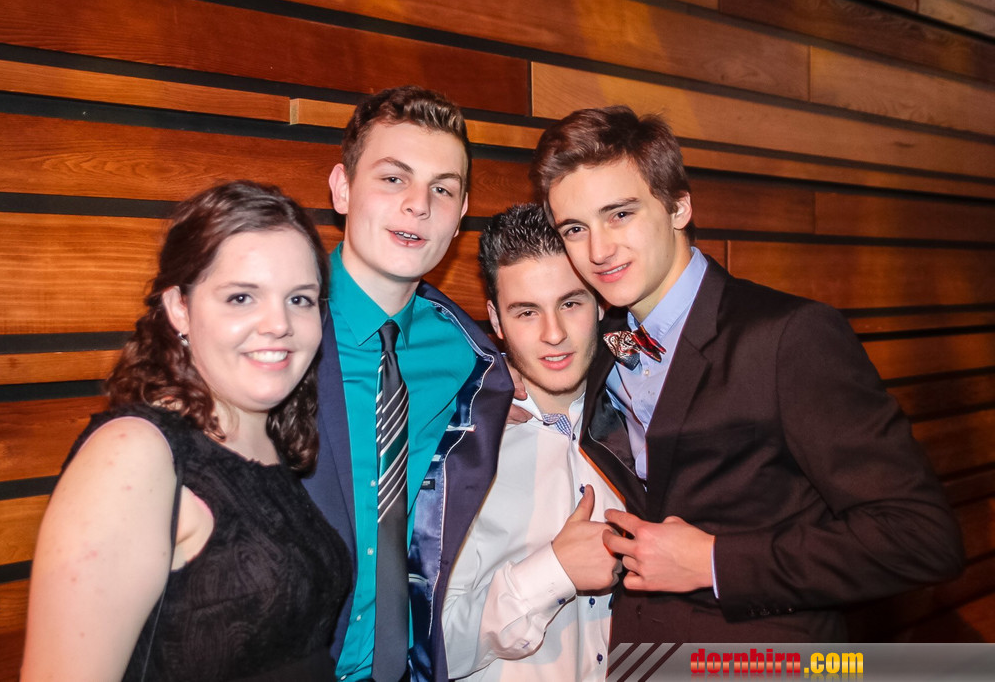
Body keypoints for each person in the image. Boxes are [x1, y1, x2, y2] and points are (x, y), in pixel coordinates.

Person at [529, 106, 965, 642]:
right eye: (575, 228)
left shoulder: (789, 337)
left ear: (678, 207)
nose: (598, 250)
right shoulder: (601, 342)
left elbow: (921, 538)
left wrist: (715, 561)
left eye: (620, 214)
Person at [21, 181, 351, 680]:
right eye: (242, 297)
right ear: (179, 306)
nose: (278, 324)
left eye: (300, 299)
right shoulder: (133, 453)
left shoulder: (268, 442)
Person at [302, 86, 514, 681]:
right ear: (342, 189)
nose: (418, 205)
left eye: (441, 189)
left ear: (462, 210)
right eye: (394, 178)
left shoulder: (470, 359)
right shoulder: (275, 334)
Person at [442, 203, 624, 680]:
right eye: (527, 312)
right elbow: (434, 647)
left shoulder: (642, 421)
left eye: (571, 303)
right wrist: (554, 572)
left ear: (600, 303)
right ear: (496, 320)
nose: (554, 334)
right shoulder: (456, 446)